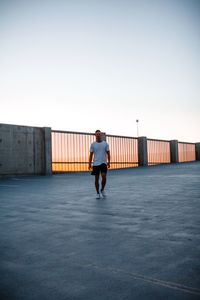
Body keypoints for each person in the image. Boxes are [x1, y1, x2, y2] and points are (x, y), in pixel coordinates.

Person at [89, 130, 110, 199]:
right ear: (95, 135)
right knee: (96, 179)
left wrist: (109, 162)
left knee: (104, 177)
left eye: (99, 134)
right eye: (97, 134)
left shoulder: (105, 144)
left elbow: (108, 153)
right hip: (95, 164)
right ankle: (97, 193)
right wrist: (89, 164)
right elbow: (91, 155)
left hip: (103, 163)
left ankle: (102, 189)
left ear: (101, 135)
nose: (98, 135)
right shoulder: (93, 144)